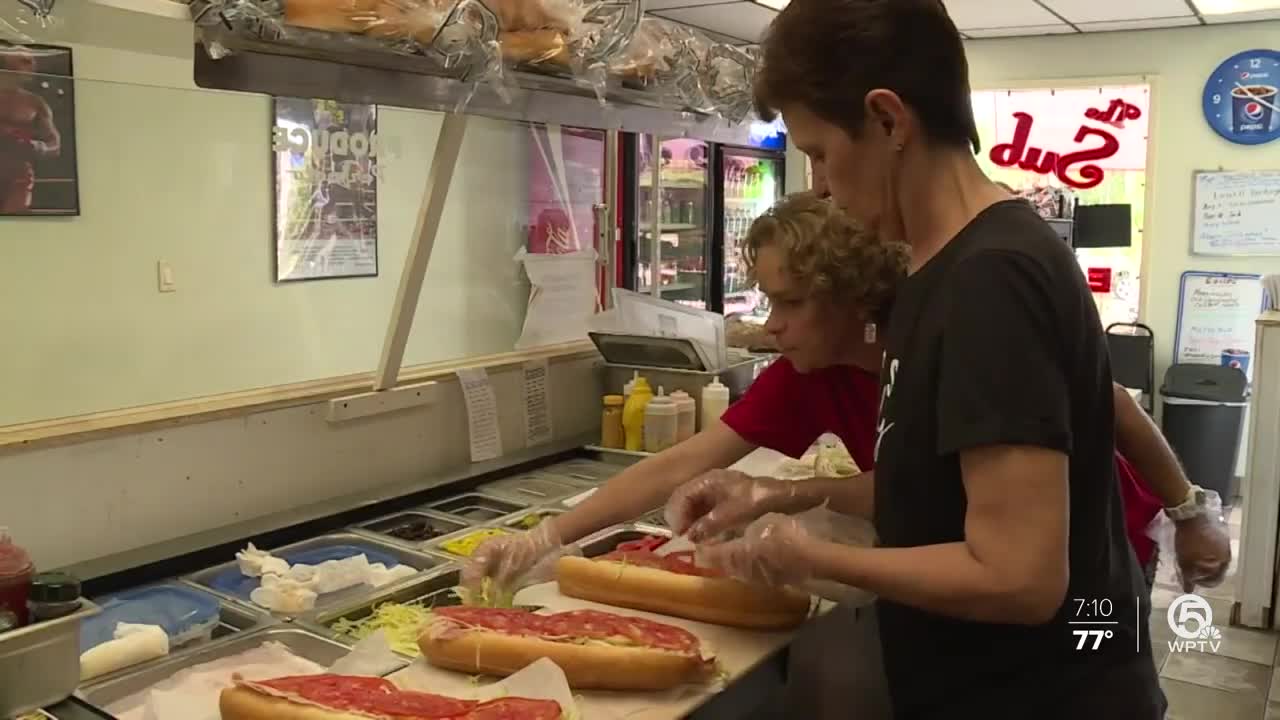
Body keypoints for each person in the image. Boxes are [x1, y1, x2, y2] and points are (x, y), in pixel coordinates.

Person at [674, 1, 1176, 717]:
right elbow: (928, 492)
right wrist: (773, 498)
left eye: (819, 151)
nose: (816, 182)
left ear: (888, 120)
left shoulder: (992, 279)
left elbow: (1020, 577)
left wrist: (808, 556)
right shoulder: (931, 271)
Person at [463, 191, 903, 593]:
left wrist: (780, 494)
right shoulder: (809, 372)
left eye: (792, 303)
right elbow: (679, 465)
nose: (771, 324)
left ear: (852, 297)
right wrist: (546, 536)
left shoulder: (915, 353)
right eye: (770, 302)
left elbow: (920, 488)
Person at [0, 45, 61, 213]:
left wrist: (37, 146)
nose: (33, 65)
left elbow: (55, 145)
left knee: (15, 224)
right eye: (26, 61)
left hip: (18, 175)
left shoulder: (35, 103)